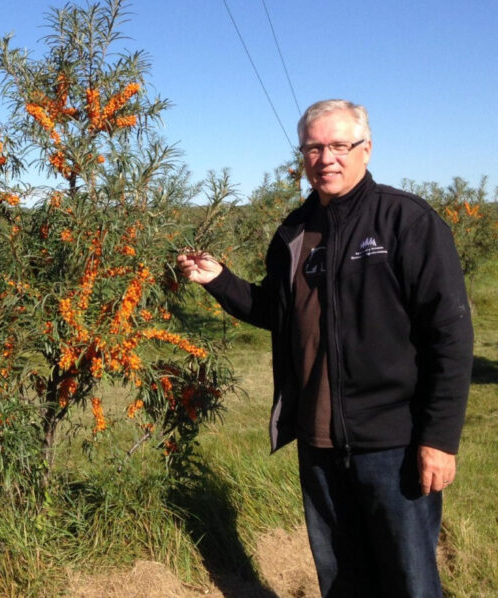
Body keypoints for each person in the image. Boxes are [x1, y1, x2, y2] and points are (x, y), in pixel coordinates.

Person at [177, 99, 473, 597]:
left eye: (340, 145)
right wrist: (220, 280)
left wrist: (439, 438)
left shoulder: (407, 221)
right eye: (314, 147)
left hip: (394, 442)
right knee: (341, 579)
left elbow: (451, 333)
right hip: (319, 443)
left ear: (366, 149)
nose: (326, 158)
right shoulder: (295, 231)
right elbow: (277, 311)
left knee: (410, 580)